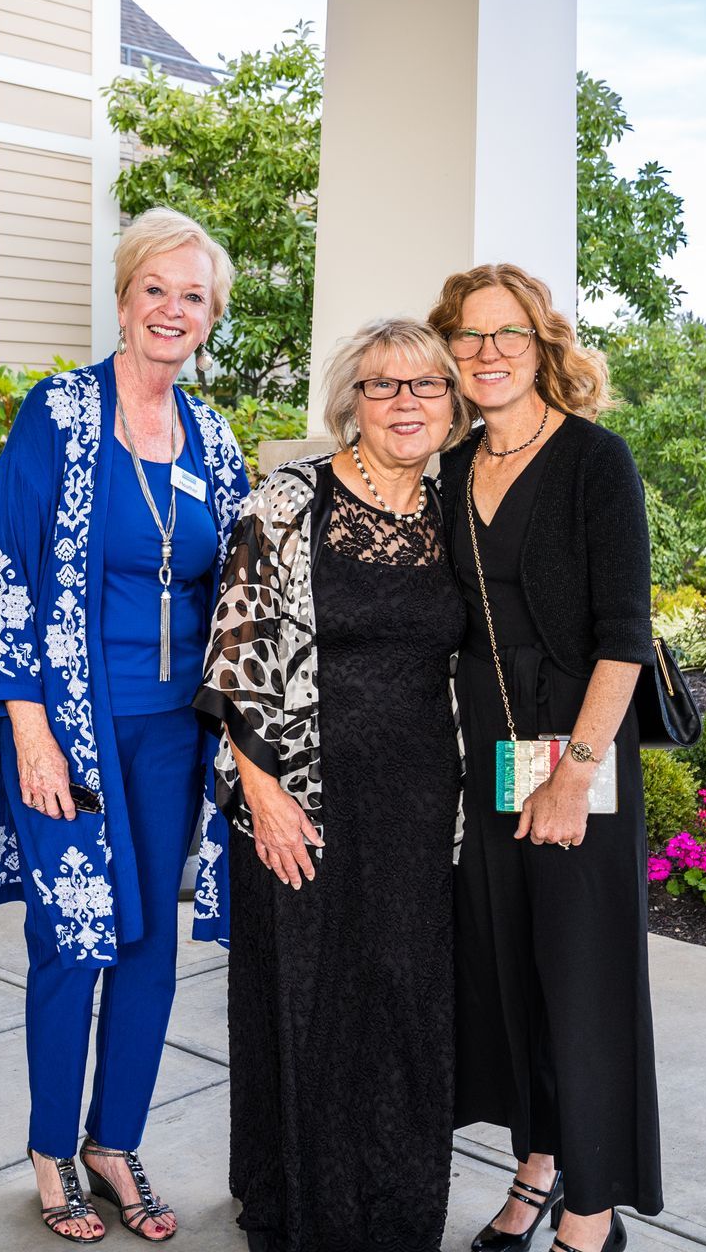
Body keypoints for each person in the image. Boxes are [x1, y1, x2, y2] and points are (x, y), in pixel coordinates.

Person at [0, 207, 251, 1244]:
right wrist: (27, 731)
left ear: (210, 319)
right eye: (155, 289)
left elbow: (244, 589)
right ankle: (49, 1144)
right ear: (124, 300)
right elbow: (8, 573)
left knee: (152, 940)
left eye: (192, 296)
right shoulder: (60, 414)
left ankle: (116, 1139)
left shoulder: (215, 434)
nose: (172, 309)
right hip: (72, 723)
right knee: (74, 930)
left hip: (177, 732)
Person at [199, 317, 468, 1252]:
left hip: (425, 801)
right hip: (304, 793)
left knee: (403, 998)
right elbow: (234, 657)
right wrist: (261, 789)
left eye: (426, 386)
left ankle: (396, 1209)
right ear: (350, 401)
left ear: (453, 404)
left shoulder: (461, 510)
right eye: (384, 385)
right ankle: (303, 1205)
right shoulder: (287, 501)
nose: (405, 402)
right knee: (309, 1000)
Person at [430, 264, 662, 1252]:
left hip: (575, 741)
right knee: (510, 963)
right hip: (484, 741)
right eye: (469, 336)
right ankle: (536, 1162)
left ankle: (590, 1211)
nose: (488, 352)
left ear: (544, 344)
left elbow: (626, 633)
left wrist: (572, 770)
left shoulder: (594, 462)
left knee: (582, 974)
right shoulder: (446, 465)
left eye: (507, 333)